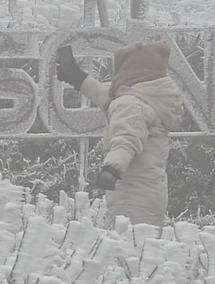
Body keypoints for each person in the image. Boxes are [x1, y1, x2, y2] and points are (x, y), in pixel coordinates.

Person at [55, 40, 184, 228]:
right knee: (143, 249)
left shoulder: (131, 104)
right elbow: (110, 101)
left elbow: (127, 139)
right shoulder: (149, 98)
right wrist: (78, 78)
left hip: (131, 195)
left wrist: (112, 169)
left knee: (123, 250)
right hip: (149, 192)